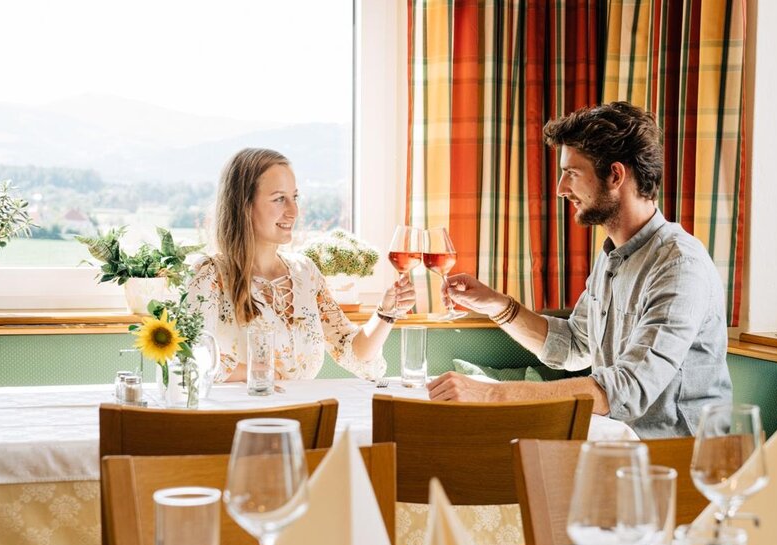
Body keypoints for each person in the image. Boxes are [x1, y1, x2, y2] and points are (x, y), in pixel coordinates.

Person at [427, 102, 731, 437]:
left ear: (615, 175)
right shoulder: (614, 256)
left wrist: (492, 394)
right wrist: (498, 306)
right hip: (617, 446)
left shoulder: (678, 265)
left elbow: (628, 387)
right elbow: (573, 346)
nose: (560, 189)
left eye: (571, 173)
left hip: (679, 462)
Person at [189, 148, 415, 382]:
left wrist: (386, 312)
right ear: (243, 205)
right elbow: (191, 357)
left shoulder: (305, 272)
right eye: (279, 199)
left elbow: (352, 351)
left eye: (294, 197)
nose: (293, 211)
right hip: (243, 416)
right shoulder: (209, 274)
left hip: (303, 414)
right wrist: (257, 372)